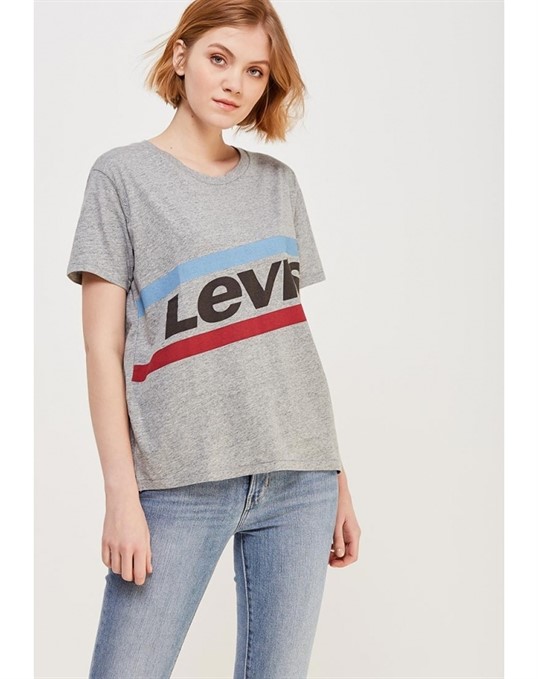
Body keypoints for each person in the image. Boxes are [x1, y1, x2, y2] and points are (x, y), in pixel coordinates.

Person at [66, 0, 361, 676]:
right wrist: (121, 495)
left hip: (299, 478)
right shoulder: (122, 177)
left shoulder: (278, 185)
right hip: (179, 479)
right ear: (181, 57)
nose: (234, 83)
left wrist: (337, 477)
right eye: (219, 59)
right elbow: (101, 349)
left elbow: (287, 341)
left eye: (255, 71)